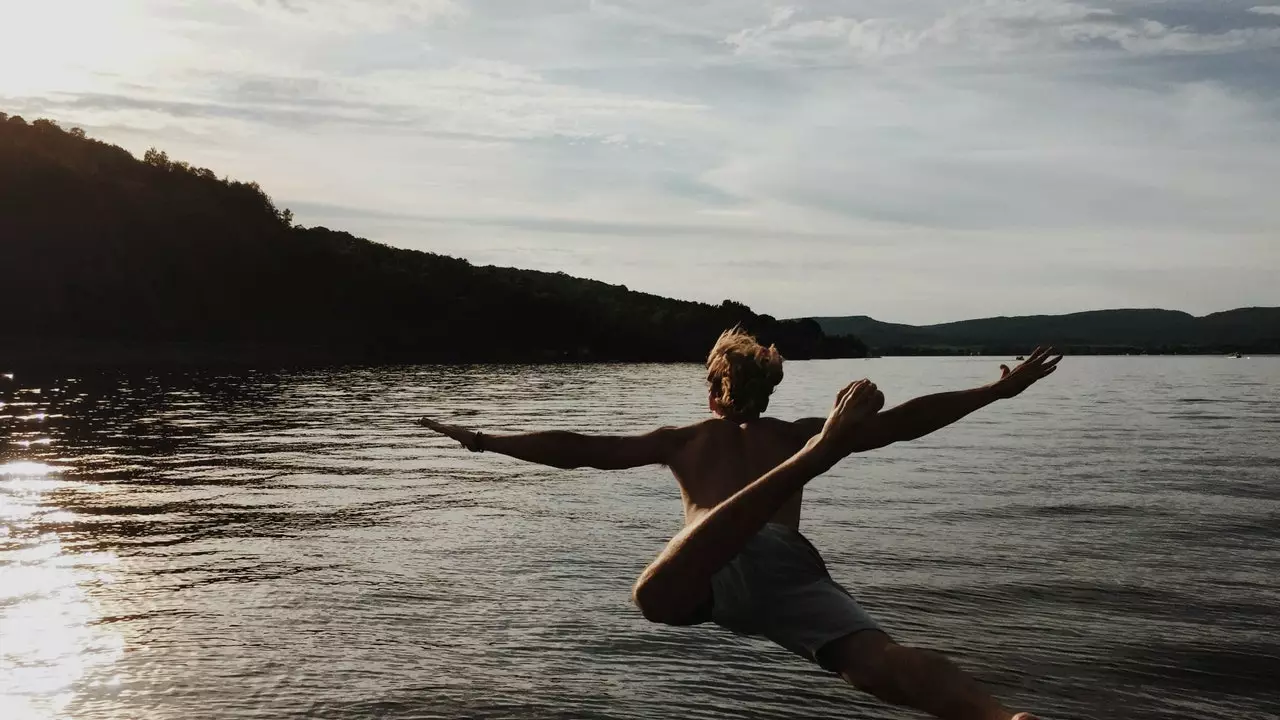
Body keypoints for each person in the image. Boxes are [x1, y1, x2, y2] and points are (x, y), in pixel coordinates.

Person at [418, 328, 1061, 720]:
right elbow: (907, 420)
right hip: (788, 564)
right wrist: (995, 391)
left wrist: (484, 440)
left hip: (710, 554)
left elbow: (581, 446)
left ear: (712, 388)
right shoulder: (786, 431)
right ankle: (998, 714)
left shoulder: (684, 439)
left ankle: (804, 468)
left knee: (654, 597)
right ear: (768, 390)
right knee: (874, 658)